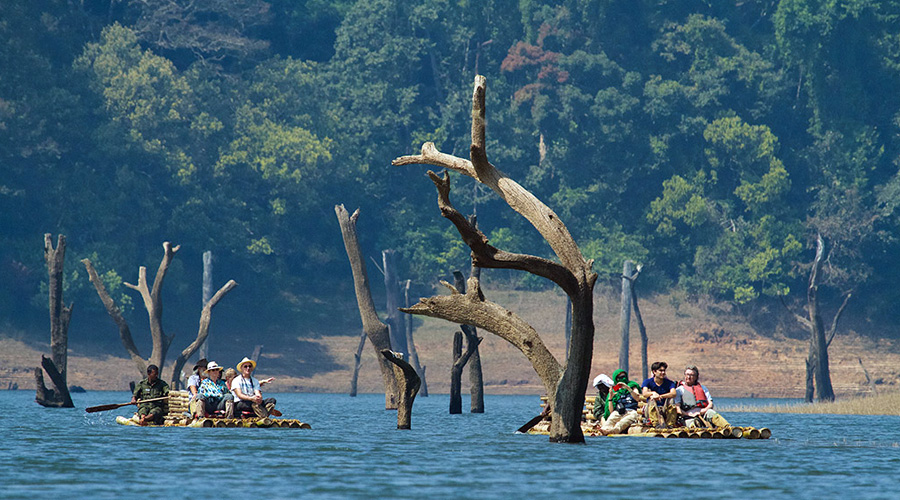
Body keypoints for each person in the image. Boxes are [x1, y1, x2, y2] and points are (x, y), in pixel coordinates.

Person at [599, 369, 645, 435]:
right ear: (616, 379)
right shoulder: (615, 390)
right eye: (619, 378)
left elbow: (637, 398)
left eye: (624, 376)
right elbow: (611, 410)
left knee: (621, 423)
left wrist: (628, 388)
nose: (622, 379)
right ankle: (604, 430)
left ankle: (612, 431)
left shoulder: (632, 386)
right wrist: (610, 398)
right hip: (619, 411)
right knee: (611, 419)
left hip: (632, 411)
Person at [641, 361, 678, 427]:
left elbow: (673, 393)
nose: (663, 373)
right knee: (652, 399)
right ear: (654, 372)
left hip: (665, 408)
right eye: (660, 371)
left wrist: (661, 396)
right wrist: (653, 393)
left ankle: (670, 425)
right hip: (651, 409)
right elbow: (644, 394)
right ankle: (655, 424)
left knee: (672, 400)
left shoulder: (670, 383)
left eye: (664, 371)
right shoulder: (647, 382)